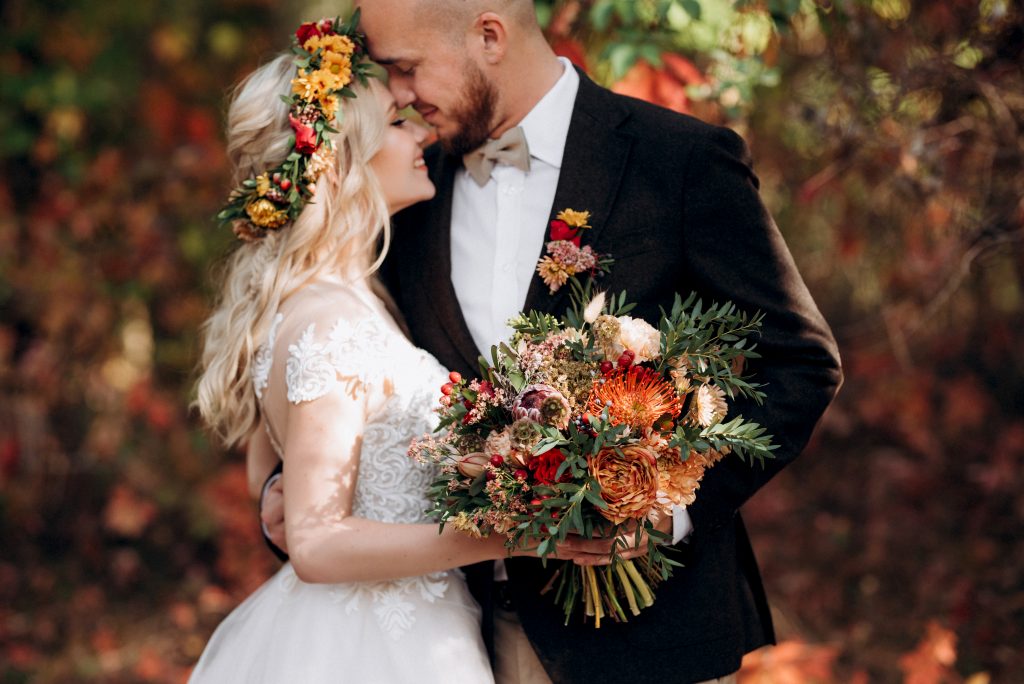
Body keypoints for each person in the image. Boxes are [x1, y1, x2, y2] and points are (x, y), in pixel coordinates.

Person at [262, 2, 843, 682]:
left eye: (407, 67)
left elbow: (800, 360)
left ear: (489, 36)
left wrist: (669, 510)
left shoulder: (678, 160)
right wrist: (297, 493)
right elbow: (353, 371)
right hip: (462, 635)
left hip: (650, 633)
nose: (400, 94)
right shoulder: (405, 191)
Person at [190, 20, 539, 682]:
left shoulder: (344, 299)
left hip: (414, 629)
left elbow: (269, 468)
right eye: (398, 123)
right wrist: (509, 534)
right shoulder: (329, 323)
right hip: (373, 649)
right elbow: (318, 544)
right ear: (347, 161)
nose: (421, 135)